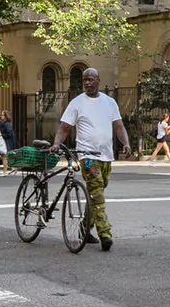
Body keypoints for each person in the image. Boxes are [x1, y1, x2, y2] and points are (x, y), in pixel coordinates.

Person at [53, 67, 129, 252]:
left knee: (96, 193)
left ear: (98, 80)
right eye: (84, 80)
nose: (87, 82)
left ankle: (84, 230)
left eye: (91, 79)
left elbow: (119, 127)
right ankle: (105, 233)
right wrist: (56, 144)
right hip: (87, 156)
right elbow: (64, 128)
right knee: (97, 194)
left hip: (105, 155)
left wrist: (126, 143)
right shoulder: (77, 103)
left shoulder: (110, 103)